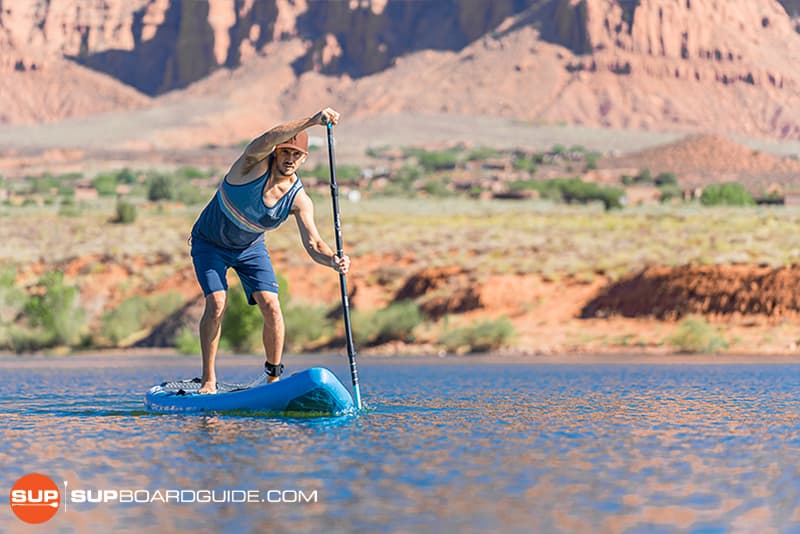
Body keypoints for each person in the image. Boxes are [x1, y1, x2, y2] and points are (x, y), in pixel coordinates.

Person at [189, 107, 350, 394]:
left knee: (272, 306)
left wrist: (333, 260)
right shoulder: (250, 166)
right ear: (276, 152)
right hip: (209, 243)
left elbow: (313, 244)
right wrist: (313, 121)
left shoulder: (299, 199)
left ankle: (272, 382)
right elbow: (266, 137)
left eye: (296, 155)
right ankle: (208, 381)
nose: (289, 159)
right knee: (217, 302)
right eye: (285, 152)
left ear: (303, 159)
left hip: (250, 247)